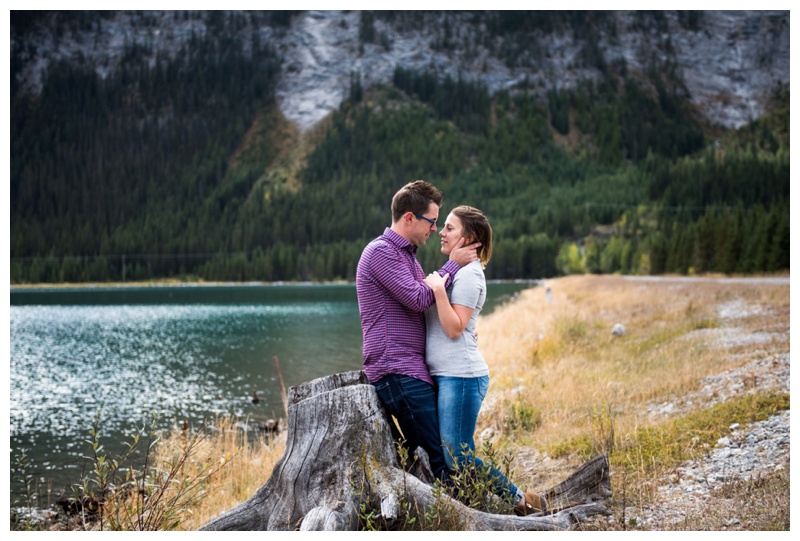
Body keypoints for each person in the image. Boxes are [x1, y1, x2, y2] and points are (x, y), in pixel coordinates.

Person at [423, 205, 547, 516]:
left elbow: (453, 328)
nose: (442, 231)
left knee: (458, 457)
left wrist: (438, 288)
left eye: (450, 228)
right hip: (447, 375)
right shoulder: (458, 271)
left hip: (461, 377)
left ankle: (523, 501)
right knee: (451, 454)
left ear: (470, 236)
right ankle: (473, 506)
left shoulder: (470, 276)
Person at [356, 180, 479, 482]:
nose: (435, 229)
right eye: (432, 221)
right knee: (438, 458)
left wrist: (465, 328)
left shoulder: (406, 256)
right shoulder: (381, 253)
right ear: (409, 217)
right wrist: (451, 266)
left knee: (436, 456)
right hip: (396, 369)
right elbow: (419, 298)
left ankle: (459, 512)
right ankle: (458, 521)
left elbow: (422, 305)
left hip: (410, 370)